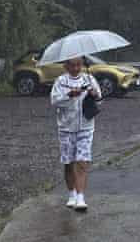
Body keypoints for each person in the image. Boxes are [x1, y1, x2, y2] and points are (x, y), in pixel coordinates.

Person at [50, 56, 101, 211]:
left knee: (82, 160)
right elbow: (54, 101)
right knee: (68, 162)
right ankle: (71, 194)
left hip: (86, 126)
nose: (76, 68)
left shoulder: (89, 79)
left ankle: (81, 197)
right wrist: (69, 95)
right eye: (72, 65)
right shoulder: (60, 81)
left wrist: (94, 95)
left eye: (79, 65)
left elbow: (99, 99)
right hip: (66, 127)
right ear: (66, 66)